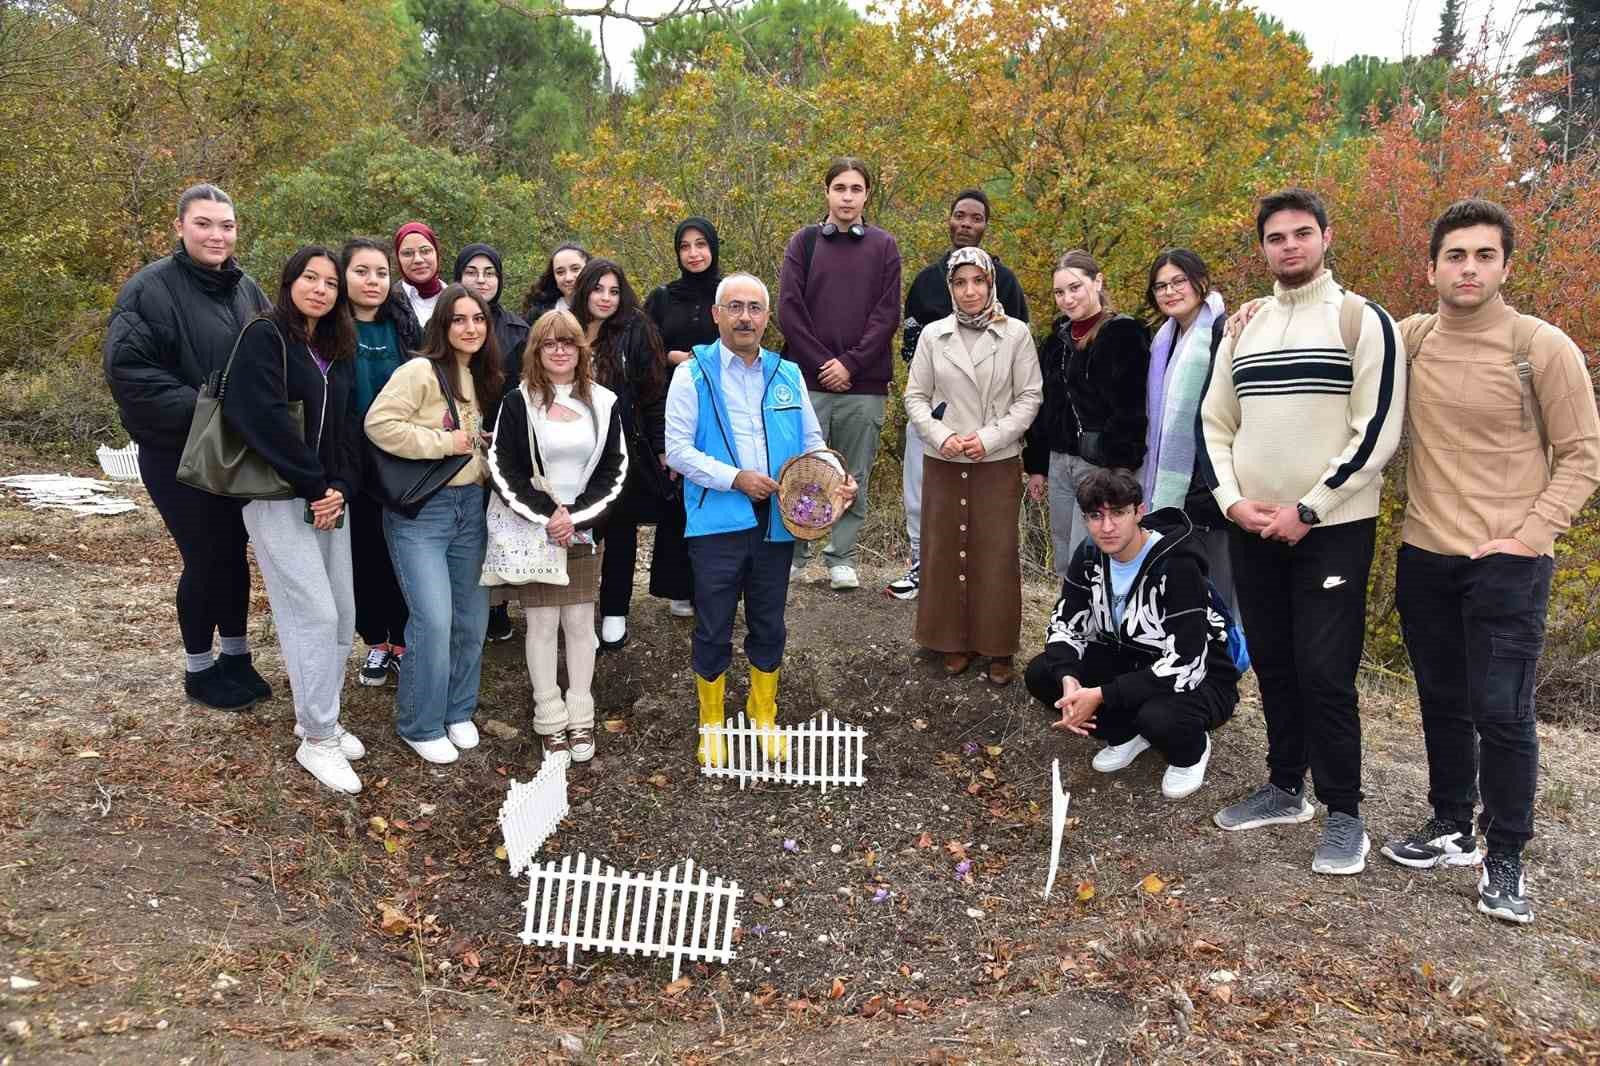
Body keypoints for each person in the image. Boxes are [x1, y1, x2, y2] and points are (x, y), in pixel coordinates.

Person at [1379, 199, 1600, 923]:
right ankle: (1449, 824)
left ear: (1506, 264)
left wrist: (1531, 535)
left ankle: (1504, 852)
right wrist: (1249, 312)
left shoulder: (1540, 347)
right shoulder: (1410, 338)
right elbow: (1339, 329)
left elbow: (1582, 456)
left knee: (1502, 713)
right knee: (1441, 701)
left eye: (1483, 255)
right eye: (1455, 255)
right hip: (1425, 554)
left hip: (1507, 561)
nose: (1468, 268)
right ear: (1432, 266)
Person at [1198, 187, 1405, 876]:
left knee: (1326, 671)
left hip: (1332, 529)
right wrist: (1231, 502)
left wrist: (1308, 508)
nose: (1289, 246)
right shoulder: (1245, 329)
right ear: (1262, 248)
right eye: (1276, 237)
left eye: (1302, 233)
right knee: (1277, 661)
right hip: (1253, 526)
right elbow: (1216, 423)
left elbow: (1375, 431)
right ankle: (1286, 787)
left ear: (1326, 237)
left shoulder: (1362, 321)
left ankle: (1344, 810)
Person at [665, 273, 856, 765]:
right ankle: (711, 722)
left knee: (769, 622)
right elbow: (678, 451)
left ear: (767, 318)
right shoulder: (693, 373)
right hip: (717, 521)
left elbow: (813, 443)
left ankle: (762, 715)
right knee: (713, 625)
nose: (745, 317)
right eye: (735, 307)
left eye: (754, 308)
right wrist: (736, 478)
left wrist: (838, 478)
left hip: (778, 522)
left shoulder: (787, 373)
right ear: (716, 315)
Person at [103, 183, 272, 712]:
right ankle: (199, 668)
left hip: (234, 450)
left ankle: (237, 657)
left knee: (233, 553)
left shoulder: (247, 289)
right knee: (205, 557)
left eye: (226, 225)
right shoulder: (149, 290)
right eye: (204, 223)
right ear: (179, 227)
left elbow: (274, 352)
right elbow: (129, 371)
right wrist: (212, 406)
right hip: (176, 452)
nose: (216, 235)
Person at [221, 246, 365, 794]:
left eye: (330, 283)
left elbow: (349, 427)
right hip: (281, 497)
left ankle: (323, 715)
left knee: (343, 614)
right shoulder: (266, 336)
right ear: (290, 282)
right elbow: (258, 418)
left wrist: (341, 489)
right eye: (311, 278)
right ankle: (317, 739)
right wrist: (315, 485)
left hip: (330, 500)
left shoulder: (336, 347)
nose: (321, 289)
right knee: (313, 616)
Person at [1024, 468, 1240, 800]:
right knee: (1043, 673)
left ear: (1139, 512)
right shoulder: (1089, 555)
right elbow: (1066, 624)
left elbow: (1186, 663)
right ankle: (1125, 733)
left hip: (1201, 674)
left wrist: (1100, 695)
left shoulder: (1177, 563)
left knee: (1160, 718)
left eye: (1119, 513)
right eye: (1096, 516)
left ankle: (1190, 753)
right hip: (1130, 659)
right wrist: (1070, 680)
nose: (1107, 527)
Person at [365, 284, 501, 765]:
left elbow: (470, 443)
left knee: (471, 618)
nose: (471, 328)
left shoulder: (481, 374)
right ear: (441, 325)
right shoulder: (420, 370)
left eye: (479, 319)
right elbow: (379, 425)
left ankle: (457, 710)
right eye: (459, 319)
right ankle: (419, 724)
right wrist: (448, 442)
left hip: (471, 508)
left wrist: (479, 445)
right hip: (423, 512)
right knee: (433, 619)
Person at [487, 310, 629, 762]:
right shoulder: (518, 402)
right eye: (550, 343)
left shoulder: (604, 403)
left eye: (568, 342)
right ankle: (549, 717)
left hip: (584, 530)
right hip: (537, 531)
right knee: (544, 624)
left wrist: (578, 518)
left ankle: (581, 715)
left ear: (580, 349)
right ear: (536, 351)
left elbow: (616, 469)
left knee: (580, 622)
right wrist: (549, 516)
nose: (560, 350)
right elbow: (502, 467)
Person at [902, 247, 1041, 684]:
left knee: (994, 552)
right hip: (944, 458)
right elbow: (914, 397)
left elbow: (1030, 397)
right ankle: (951, 640)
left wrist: (988, 438)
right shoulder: (933, 335)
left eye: (977, 281)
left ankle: (997, 646)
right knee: (944, 549)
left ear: (991, 283)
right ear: (950, 288)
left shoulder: (1016, 334)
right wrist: (943, 438)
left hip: (996, 459)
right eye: (960, 283)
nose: (969, 291)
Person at [889, 189, 1030, 600]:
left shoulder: (1005, 280)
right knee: (922, 492)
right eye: (959, 216)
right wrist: (936, 401)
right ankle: (921, 564)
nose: (967, 224)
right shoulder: (928, 280)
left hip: (992, 420)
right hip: (935, 410)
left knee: (985, 511)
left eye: (976, 218)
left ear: (986, 226)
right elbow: (911, 341)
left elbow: (1018, 345)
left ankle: (983, 582)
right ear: (948, 220)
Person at [777, 157, 902, 591]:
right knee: (802, 468)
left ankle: (841, 556)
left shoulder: (884, 247)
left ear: (867, 194)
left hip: (863, 385)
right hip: (807, 381)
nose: (847, 196)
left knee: (853, 474)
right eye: (840, 188)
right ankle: (795, 552)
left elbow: (887, 314)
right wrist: (822, 364)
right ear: (826, 192)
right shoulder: (805, 242)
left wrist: (850, 363)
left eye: (856, 188)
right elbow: (789, 310)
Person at [1023, 251, 1151, 578]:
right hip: (1060, 461)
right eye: (1059, 292)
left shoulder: (1123, 334)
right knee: (1065, 553)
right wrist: (1037, 465)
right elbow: (1045, 404)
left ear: (1098, 281)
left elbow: (1132, 408)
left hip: (1102, 465)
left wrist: (1120, 469)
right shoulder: (1057, 340)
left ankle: (1103, 626)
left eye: (1075, 288)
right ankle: (1072, 622)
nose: (1067, 298)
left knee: (1095, 555)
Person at [572, 258, 676, 649]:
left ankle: (615, 611)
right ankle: (580, 612)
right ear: (584, 290)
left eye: (614, 291)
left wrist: (662, 447)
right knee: (581, 532)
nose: (606, 298)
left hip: (622, 450)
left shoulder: (637, 331)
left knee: (620, 531)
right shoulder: (564, 329)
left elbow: (653, 394)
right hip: (571, 450)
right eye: (598, 289)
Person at [341, 237, 422, 687]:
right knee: (364, 554)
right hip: (350, 463)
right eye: (361, 272)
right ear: (344, 276)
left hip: (400, 460)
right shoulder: (330, 328)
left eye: (380, 273)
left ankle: (406, 641)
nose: (372, 281)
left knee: (403, 552)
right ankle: (377, 641)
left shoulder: (401, 326)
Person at [1141, 249, 1234, 607]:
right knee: (1180, 591)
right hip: (1169, 488)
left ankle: (1221, 663)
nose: (1170, 291)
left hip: (1209, 486)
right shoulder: (1164, 340)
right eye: (1161, 286)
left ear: (1200, 281)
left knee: (1215, 593)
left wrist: (1208, 483)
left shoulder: (1223, 331)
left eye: (1179, 281)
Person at [643, 217, 724, 619]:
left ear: (713, 247)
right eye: (685, 246)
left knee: (719, 491)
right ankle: (678, 586)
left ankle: (717, 586)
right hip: (674, 403)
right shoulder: (661, 298)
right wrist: (675, 357)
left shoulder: (728, 294)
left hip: (723, 407)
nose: (694, 253)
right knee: (680, 492)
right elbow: (643, 350)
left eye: (701, 245)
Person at [455, 241, 533, 645]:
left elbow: (521, 389)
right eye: (472, 272)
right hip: (455, 439)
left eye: (489, 273)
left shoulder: (518, 329)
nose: (481, 280)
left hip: (501, 437)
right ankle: (468, 607)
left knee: (499, 520)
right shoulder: (445, 321)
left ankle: (498, 606)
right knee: (467, 525)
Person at [394, 221, 444, 327]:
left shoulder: (457, 298)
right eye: (407, 253)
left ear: (437, 254)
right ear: (398, 259)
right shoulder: (388, 303)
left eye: (425, 251)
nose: (418, 260)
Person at [522, 242, 590, 320]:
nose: (568, 278)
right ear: (553, 277)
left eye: (575, 269)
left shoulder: (603, 308)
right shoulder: (538, 315)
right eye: (560, 272)